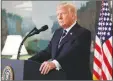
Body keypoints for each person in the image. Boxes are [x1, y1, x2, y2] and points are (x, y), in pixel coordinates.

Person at [28, 2, 92, 80]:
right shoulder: (57, 33)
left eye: (63, 13)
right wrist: (28, 61)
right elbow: (48, 52)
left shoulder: (83, 33)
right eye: (58, 14)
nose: (59, 17)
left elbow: (73, 53)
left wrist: (54, 63)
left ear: (73, 15)